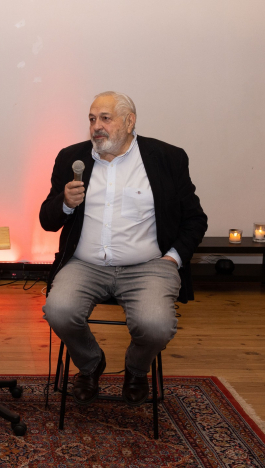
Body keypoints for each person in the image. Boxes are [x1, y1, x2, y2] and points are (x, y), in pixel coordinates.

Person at [40, 91, 207, 407]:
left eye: (105, 118)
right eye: (92, 119)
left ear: (130, 122)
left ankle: (136, 369)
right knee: (58, 311)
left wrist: (172, 259)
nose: (96, 126)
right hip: (85, 265)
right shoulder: (71, 158)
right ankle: (91, 364)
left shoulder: (166, 158)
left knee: (156, 326)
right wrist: (64, 203)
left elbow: (195, 219)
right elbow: (47, 221)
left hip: (149, 266)